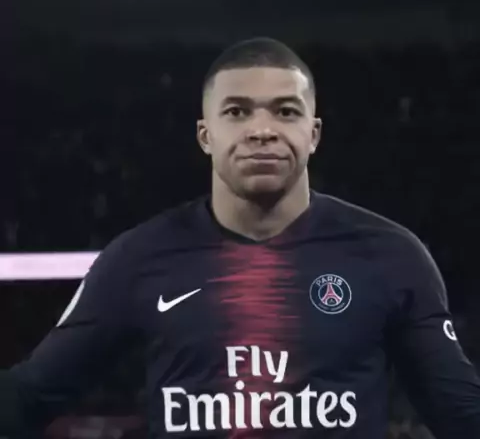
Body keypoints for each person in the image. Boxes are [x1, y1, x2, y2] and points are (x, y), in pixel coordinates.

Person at [1, 37, 480, 439]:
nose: (262, 130)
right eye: (237, 111)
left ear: (314, 133)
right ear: (205, 135)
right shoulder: (138, 258)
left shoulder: (391, 255)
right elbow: (26, 398)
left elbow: (461, 415)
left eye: (285, 111)